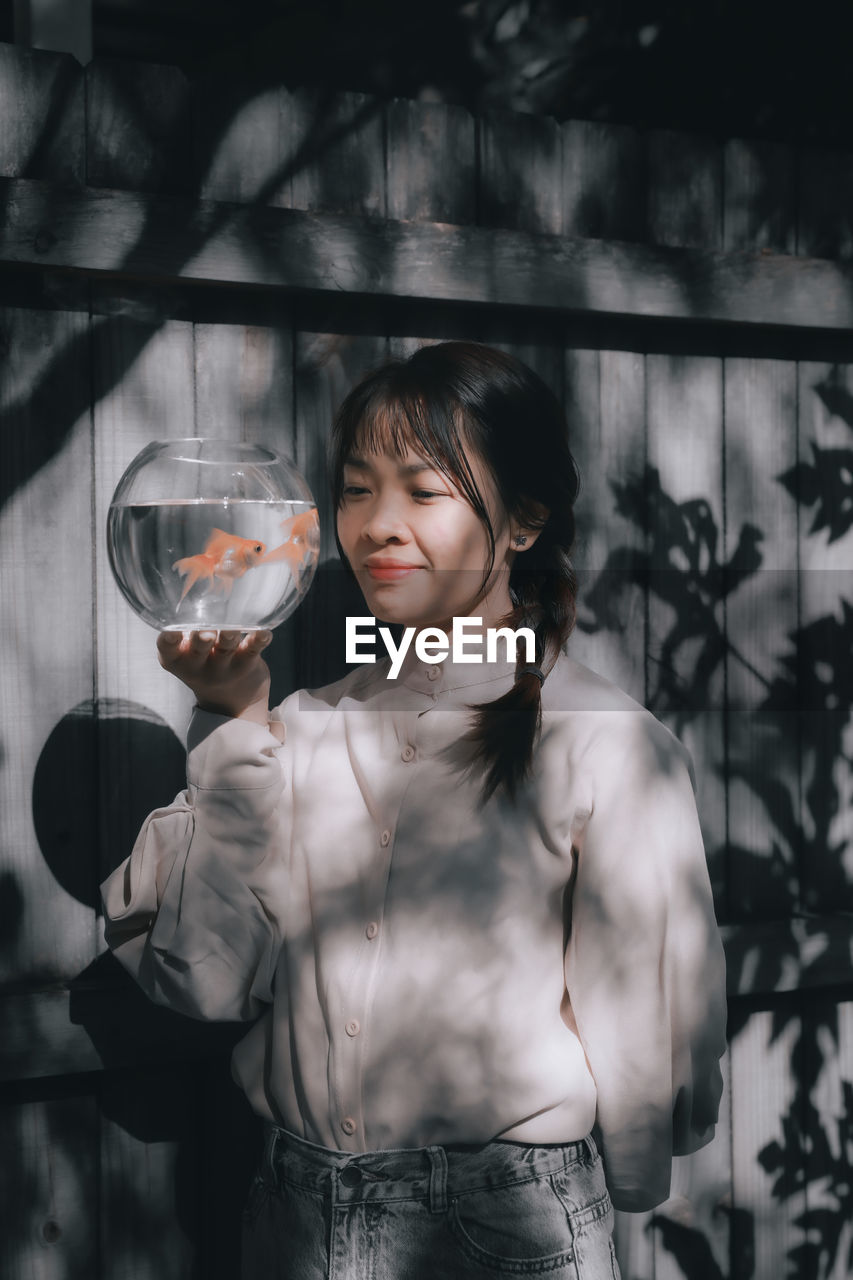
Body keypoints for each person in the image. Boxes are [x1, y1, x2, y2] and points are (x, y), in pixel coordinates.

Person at [101, 341, 727, 1280]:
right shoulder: (299, 729)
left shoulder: (605, 740)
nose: (378, 525)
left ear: (522, 521)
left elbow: (647, 1019)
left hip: (504, 1227)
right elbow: (205, 983)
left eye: (423, 491)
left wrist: (626, 1187)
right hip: (289, 1216)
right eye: (356, 490)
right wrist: (232, 721)